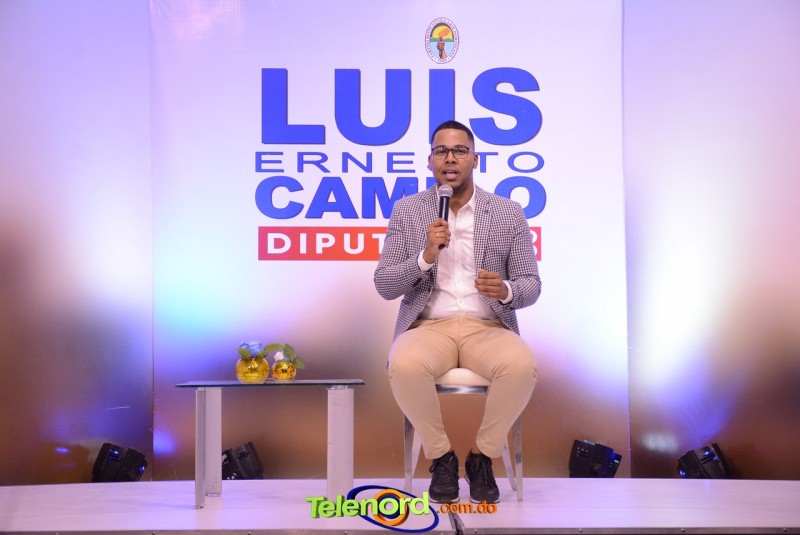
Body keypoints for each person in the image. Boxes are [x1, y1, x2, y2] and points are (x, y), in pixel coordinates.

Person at [374, 120, 541, 504]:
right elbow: (384, 285)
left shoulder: (507, 212)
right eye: (441, 151)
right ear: (430, 160)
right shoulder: (408, 211)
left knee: (521, 366)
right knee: (404, 364)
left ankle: (482, 456)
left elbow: (531, 284)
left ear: (475, 159)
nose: (450, 158)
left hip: (488, 326)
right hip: (429, 326)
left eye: (460, 150)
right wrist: (425, 257)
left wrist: (505, 289)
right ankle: (442, 457)